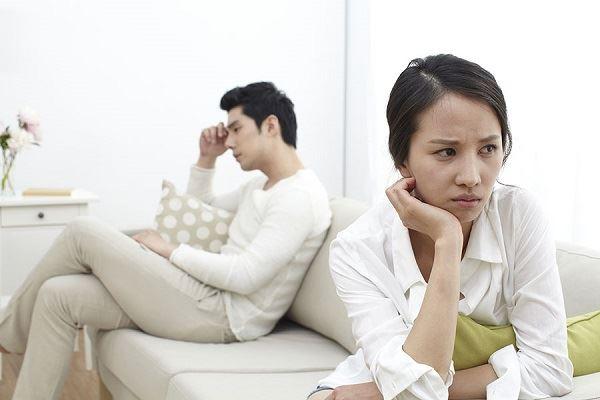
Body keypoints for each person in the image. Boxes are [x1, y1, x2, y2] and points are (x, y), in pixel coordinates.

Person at [0, 81, 332, 399]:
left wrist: (169, 251)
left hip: (224, 315)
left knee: (81, 232)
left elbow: (245, 276)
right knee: (58, 295)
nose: (230, 141)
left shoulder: (298, 197)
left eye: (236, 129)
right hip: (203, 297)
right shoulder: (263, 186)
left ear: (270, 125)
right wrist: (207, 158)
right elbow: (203, 207)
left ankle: (5, 334)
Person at [308, 55, 573, 400]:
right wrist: (448, 239)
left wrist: (380, 394)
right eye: (447, 152)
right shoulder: (358, 248)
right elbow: (416, 389)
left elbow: (550, 371)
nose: (472, 177)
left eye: (488, 148)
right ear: (402, 160)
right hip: (364, 381)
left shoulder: (517, 215)